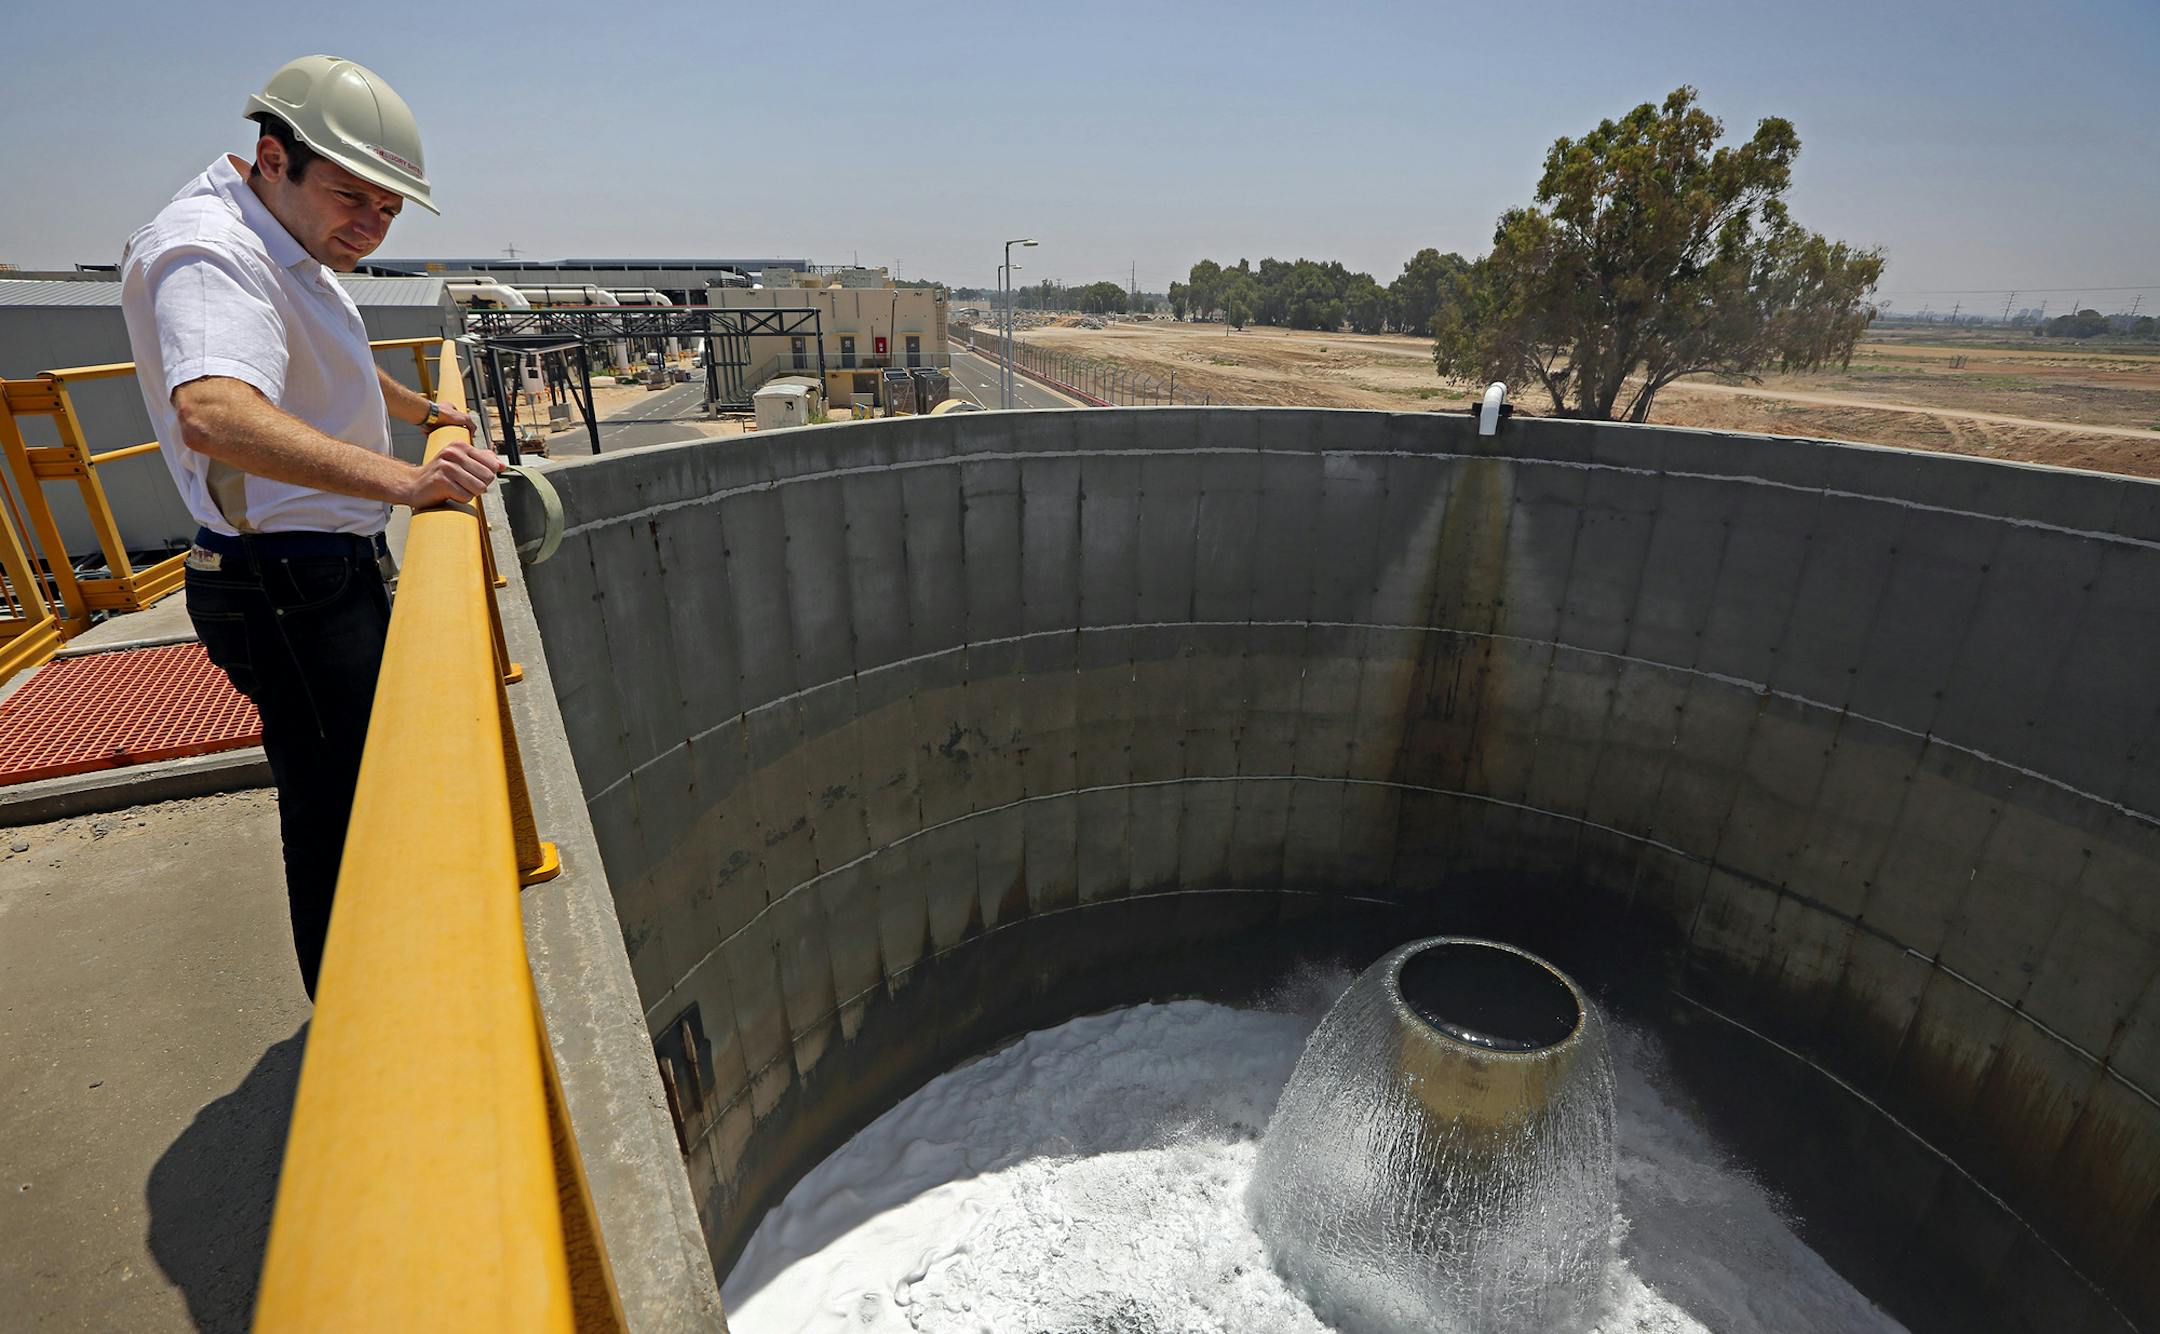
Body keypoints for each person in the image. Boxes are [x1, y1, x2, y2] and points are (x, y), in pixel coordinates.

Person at [119, 55, 505, 999]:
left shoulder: (287, 241)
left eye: (389, 211)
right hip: (285, 584)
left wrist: (424, 415)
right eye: (353, 199)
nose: (369, 228)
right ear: (272, 156)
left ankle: (381, 997)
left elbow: (330, 363)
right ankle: (364, 1035)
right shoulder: (211, 251)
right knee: (341, 819)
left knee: (365, 793)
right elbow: (217, 411)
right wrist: (410, 482)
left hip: (318, 571)